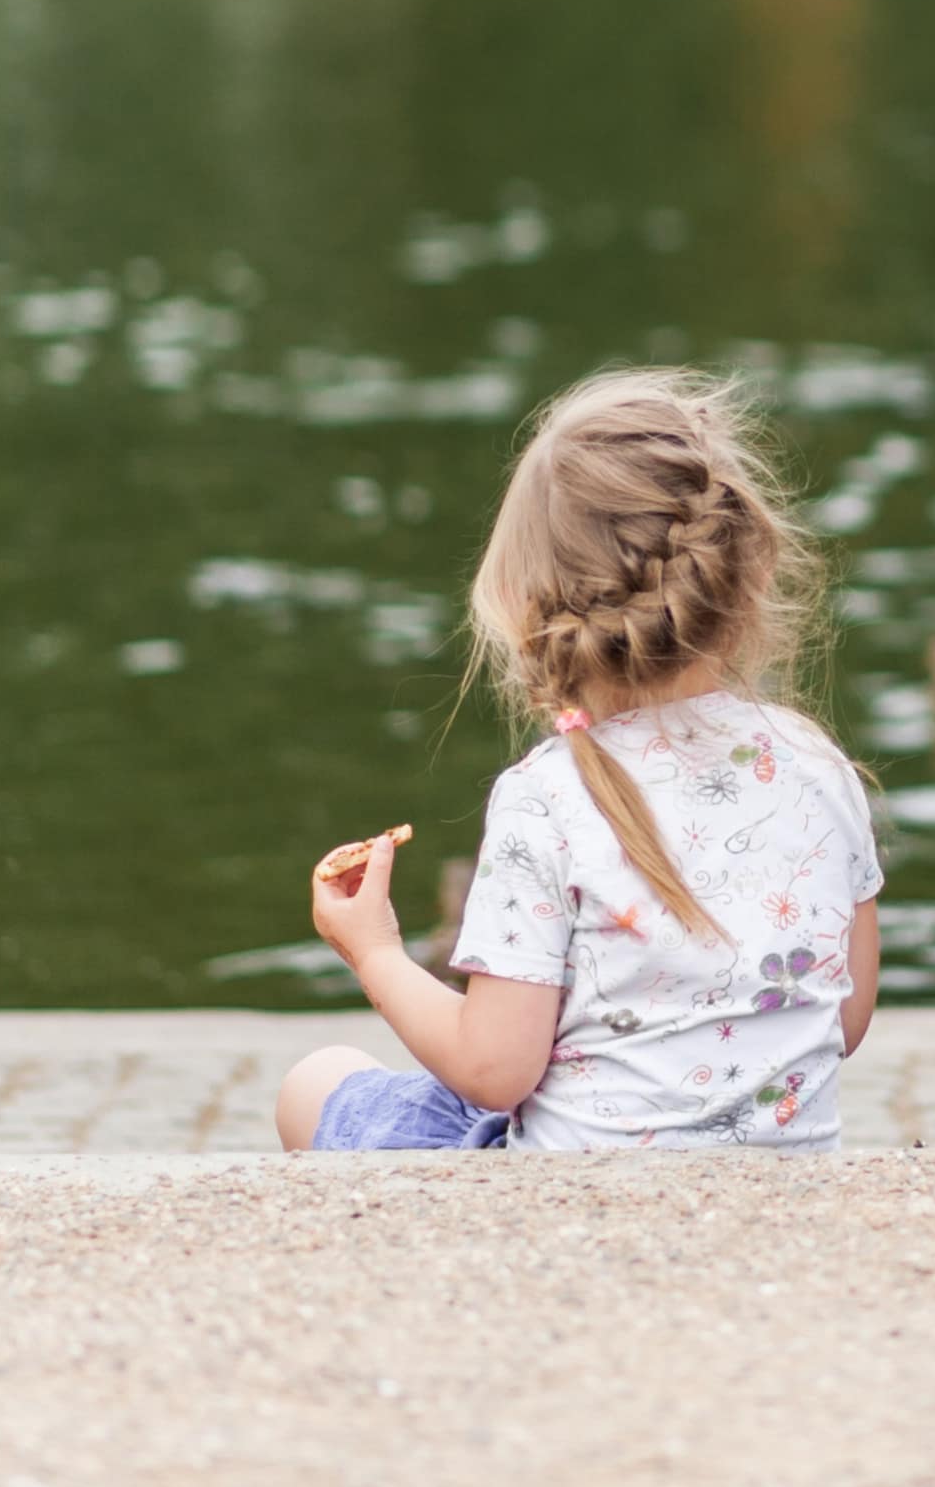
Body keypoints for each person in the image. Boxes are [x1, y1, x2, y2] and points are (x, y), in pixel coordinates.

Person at [278, 368, 883, 1154]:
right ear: (748, 575)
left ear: (529, 607)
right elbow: (846, 1014)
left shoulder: (547, 797)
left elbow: (494, 1069)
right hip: (778, 1186)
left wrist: (376, 950)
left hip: (569, 1203)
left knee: (315, 1082)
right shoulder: (816, 766)